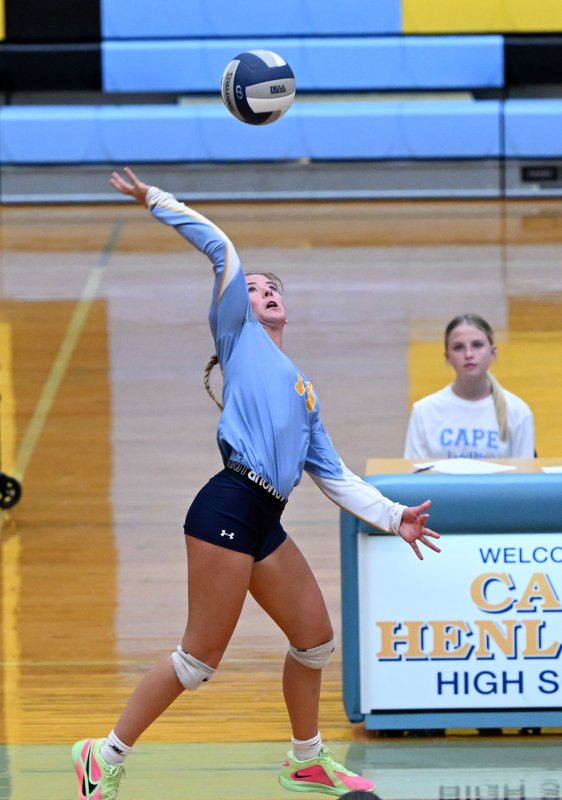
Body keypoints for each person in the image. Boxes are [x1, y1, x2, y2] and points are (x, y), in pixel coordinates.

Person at [71, 167, 441, 800]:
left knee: (315, 641)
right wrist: (155, 200)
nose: (262, 291)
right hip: (226, 505)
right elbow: (222, 247)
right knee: (198, 661)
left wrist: (391, 515)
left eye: (272, 288)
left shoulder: (303, 387)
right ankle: (102, 755)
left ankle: (306, 760)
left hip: (264, 517)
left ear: (286, 306)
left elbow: (334, 474)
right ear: (236, 303)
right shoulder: (237, 334)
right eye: (252, 287)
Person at [404, 313, 535, 461]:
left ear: (492, 353)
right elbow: (414, 477)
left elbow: (524, 478)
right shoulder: (424, 412)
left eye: (477, 345)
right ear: (448, 357)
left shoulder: (518, 412)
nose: (468, 354)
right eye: (458, 347)